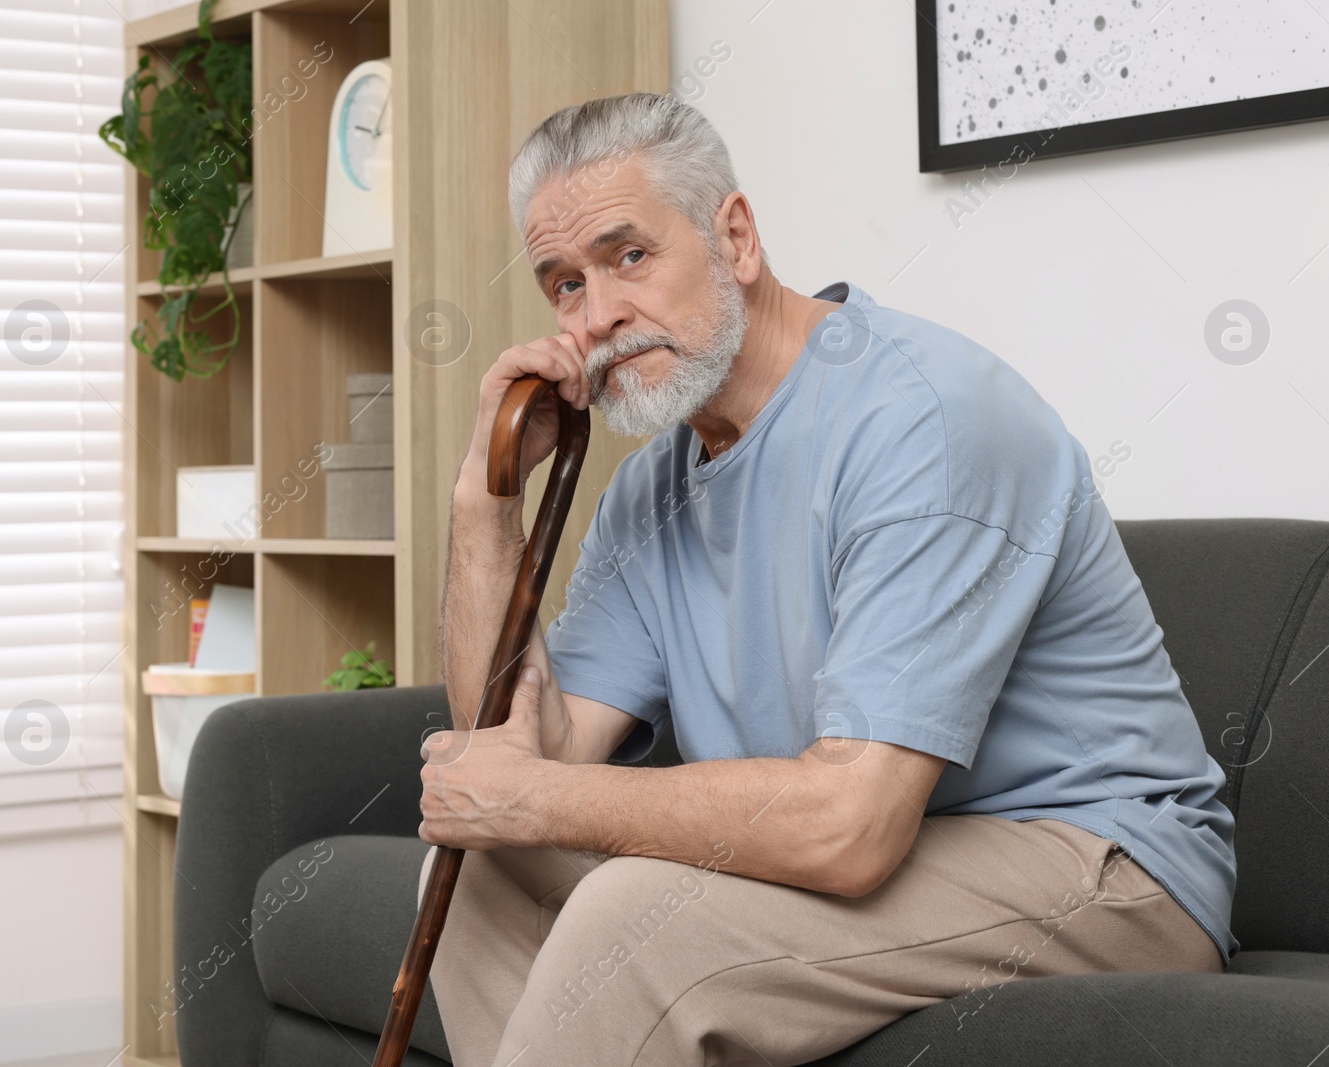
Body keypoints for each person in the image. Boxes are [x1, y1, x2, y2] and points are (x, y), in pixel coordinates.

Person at [416, 91, 1236, 1067]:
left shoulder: (920, 418)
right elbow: (517, 748)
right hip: (884, 847)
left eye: (629, 255)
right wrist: (485, 493)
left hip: (1103, 870)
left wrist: (537, 798)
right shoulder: (647, 491)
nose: (598, 316)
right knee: (477, 869)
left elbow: (850, 824)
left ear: (736, 236)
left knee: (637, 917)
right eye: (563, 284)